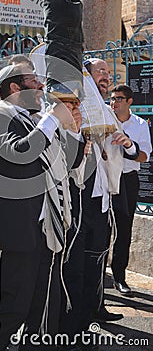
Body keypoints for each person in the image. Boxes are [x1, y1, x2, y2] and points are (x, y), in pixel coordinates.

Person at [0, 63, 79, 351]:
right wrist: (52, 121)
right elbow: (17, 157)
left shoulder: (34, 121)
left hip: (41, 231)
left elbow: (69, 165)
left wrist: (72, 129)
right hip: (11, 233)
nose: (41, 87)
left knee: (40, 312)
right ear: (15, 88)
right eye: (33, 81)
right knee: (8, 313)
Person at [59, 59, 139, 351]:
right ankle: (73, 325)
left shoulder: (106, 110)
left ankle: (94, 311)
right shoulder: (73, 108)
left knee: (96, 260)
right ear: (87, 79)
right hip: (81, 197)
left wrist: (124, 141)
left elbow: (133, 150)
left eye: (108, 72)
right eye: (100, 72)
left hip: (104, 195)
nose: (107, 76)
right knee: (77, 264)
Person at [109, 84, 152, 295]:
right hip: (105, 178)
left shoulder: (140, 124)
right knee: (99, 229)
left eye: (118, 98)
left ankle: (119, 277)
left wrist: (129, 145)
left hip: (127, 179)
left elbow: (145, 156)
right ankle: (98, 277)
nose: (114, 102)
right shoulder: (105, 119)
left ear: (129, 102)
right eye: (112, 98)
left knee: (123, 230)